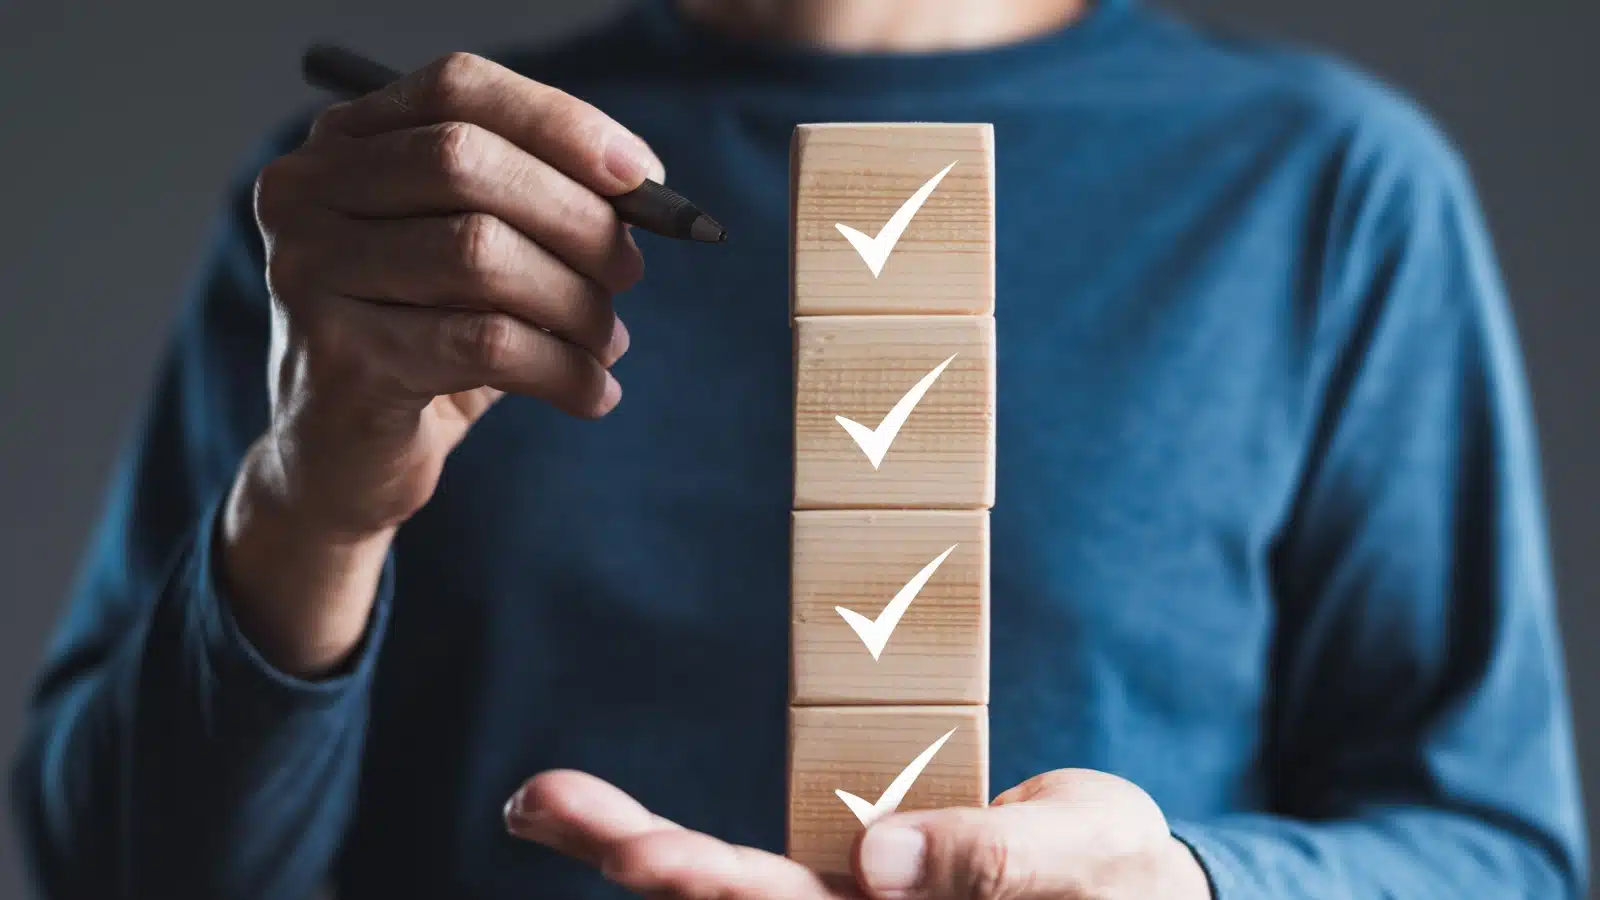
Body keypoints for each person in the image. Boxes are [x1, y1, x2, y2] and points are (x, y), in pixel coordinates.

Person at [8, 0, 1589, 897]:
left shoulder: (1325, 187)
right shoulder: (399, 215)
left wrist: (1183, 887)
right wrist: (313, 504)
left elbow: (1500, 853)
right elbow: (105, 869)